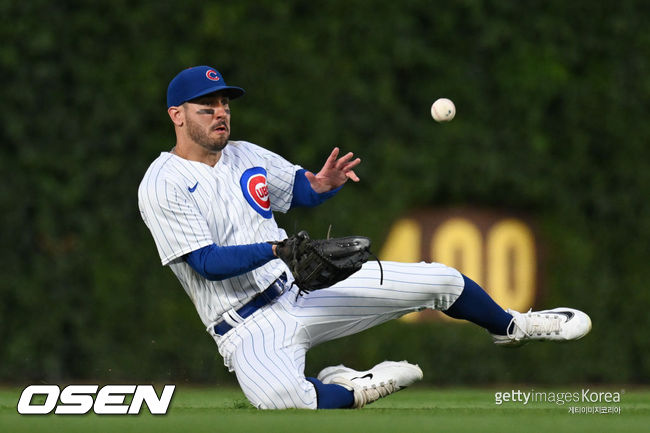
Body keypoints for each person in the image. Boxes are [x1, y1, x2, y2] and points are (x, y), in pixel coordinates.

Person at [138, 66, 592, 410]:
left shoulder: (244, 154)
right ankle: (355, 385)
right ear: (177, 116)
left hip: (302, 289)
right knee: (281, 399)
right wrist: (275, 249)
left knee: (441, 280)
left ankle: (513, 326)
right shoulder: (163, 183)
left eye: (225, 105)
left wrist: (319, 185)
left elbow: (296, 190)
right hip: (244, 324)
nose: (221, 114)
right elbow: (204, 262)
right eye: (207, 107)